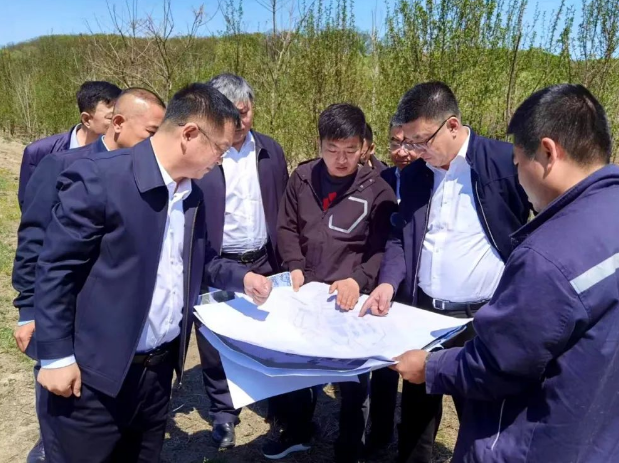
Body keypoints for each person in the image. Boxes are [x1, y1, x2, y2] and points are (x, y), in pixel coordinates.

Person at [393, 83, 619, 463]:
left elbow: (499, 364)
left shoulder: (548, 256)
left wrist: (430, 366)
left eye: (519, 163)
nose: (517, 175)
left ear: (547, 152)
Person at [33, 83, 272, 463]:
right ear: (189, 134)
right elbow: (56, 270)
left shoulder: (192, 196)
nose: (221, 160)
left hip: (157, 375)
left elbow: (202, 260)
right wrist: (57, 356)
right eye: (220, 149)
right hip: (93, 378)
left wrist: (242, 278)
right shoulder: (100, 179)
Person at [361, 81, 531, 463]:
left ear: (452, 126)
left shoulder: (504, 163)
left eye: (422, 142)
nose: (414, 152)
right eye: (409, 142)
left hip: (481, 321)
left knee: (481, 422)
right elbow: (400, 237)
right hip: (424, 319)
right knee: (416, 421)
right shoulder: (417, 176)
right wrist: (387, 282)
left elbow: (540, 227)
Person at [12, 87, 162, 463]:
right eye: (150, 133)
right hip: (64, 311)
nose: (156, 143)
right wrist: (28, 309)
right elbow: (35, 243)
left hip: (107, 324)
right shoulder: (63, 165)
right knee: (63, 401)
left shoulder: (147, 178)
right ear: (117, 123)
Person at [263, 103, 397, 462]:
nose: (340, 159)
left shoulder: (378, 190)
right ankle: (297, 431)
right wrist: (294, 266)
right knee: (297, 369)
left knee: (352, 383)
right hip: (306, 294)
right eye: (332, 149)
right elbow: (286, 227)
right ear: (320, 144)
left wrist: (359, 280)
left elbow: (382, 249)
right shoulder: (303, 177)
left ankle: (349, 448)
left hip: (349, 300)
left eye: (350, 150)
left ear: (363, 146)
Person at [194, 73, 289, 449]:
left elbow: (284, 206)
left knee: (272, 335)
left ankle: (279, 403)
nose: (239, 121)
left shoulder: (270, 150)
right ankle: (223, 412)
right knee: (215, 341)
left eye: (245, 111)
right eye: (231, 113)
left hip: (265, 260)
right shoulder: (202, 154)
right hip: (216, 262)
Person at [366, 115, 418, 457]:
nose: (401, 151)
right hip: (382, 283)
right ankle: (379, 433)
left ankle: (411, 438)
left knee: (415, 366)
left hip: (418, 287)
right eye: (395, 143)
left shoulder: (432, 180)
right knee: (383, 365)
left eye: (409, 143)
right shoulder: (380, 180)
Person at [17, 81, 121, 210]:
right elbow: (30, 205)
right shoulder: (40, 152)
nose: (119, 123)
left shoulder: (123, 153)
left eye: (121, 117)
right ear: (87, 119)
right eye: (111, 118)